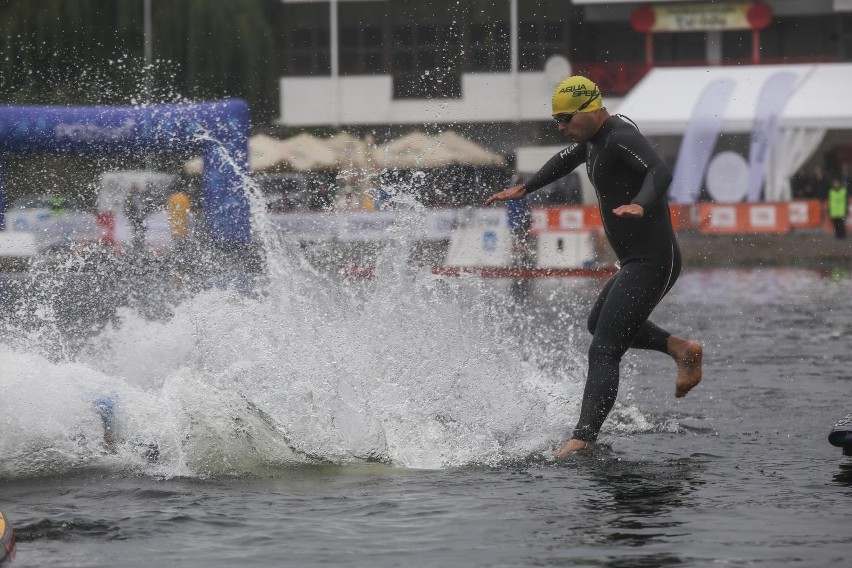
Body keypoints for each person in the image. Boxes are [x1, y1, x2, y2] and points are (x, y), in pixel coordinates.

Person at [484, 75, 703, 458]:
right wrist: (527, 188)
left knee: (604, 348)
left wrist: (642, 203)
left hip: (653, 261)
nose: (561, 126)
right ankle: (680, 348)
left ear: (590, 109)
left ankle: (583, 438)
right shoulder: (592, 140)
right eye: (557, 120)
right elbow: (566, 159)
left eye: (566, 118)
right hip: (634, 261)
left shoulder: (619, 135)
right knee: (596, 325)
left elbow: (659, 170)